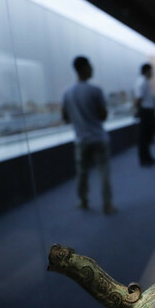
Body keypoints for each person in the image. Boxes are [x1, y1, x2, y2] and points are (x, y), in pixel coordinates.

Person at [62, 56, 116, 214]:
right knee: (104, 171)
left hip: (81, 139)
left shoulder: (67, 92)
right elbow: (103, 116)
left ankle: (83, 200)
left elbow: (65, 118)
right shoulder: (95, 90)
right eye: (90, 66)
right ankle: (107, 205)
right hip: (98, 137)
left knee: (82, 172)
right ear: (84, 68)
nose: (92, 69)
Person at [133, 63, 155, 166]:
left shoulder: (145, 81)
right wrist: (137, 110)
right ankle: (144, 159)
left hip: (147, 111)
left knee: (147, 136)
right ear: (147, 71)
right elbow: (139, 98)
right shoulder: (142, 82)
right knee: (144, 136)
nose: (152, 73)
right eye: (151, 71)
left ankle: (148, 157)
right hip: (145, 111)